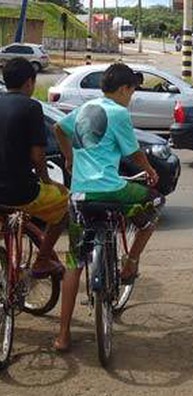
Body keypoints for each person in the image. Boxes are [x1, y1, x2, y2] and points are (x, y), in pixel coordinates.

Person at [53, 63, 165, 351]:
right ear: (125, 89)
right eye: (132, 91)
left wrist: (69, 160)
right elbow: (134, 153)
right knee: (155, 203)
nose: (131, 97)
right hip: (112, 191)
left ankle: (62, 335)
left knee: (73, 264)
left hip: (80, 196)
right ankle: (131, 262)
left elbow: (58, 128)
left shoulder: (84, 110)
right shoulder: (118, 113)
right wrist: (150, 171)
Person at [0, 57, 68, 278]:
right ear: (29, 82)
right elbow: (38, 156)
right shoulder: (31, 107)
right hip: (21, 191)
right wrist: (48, 181)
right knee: (64, 203)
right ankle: (42, 260)